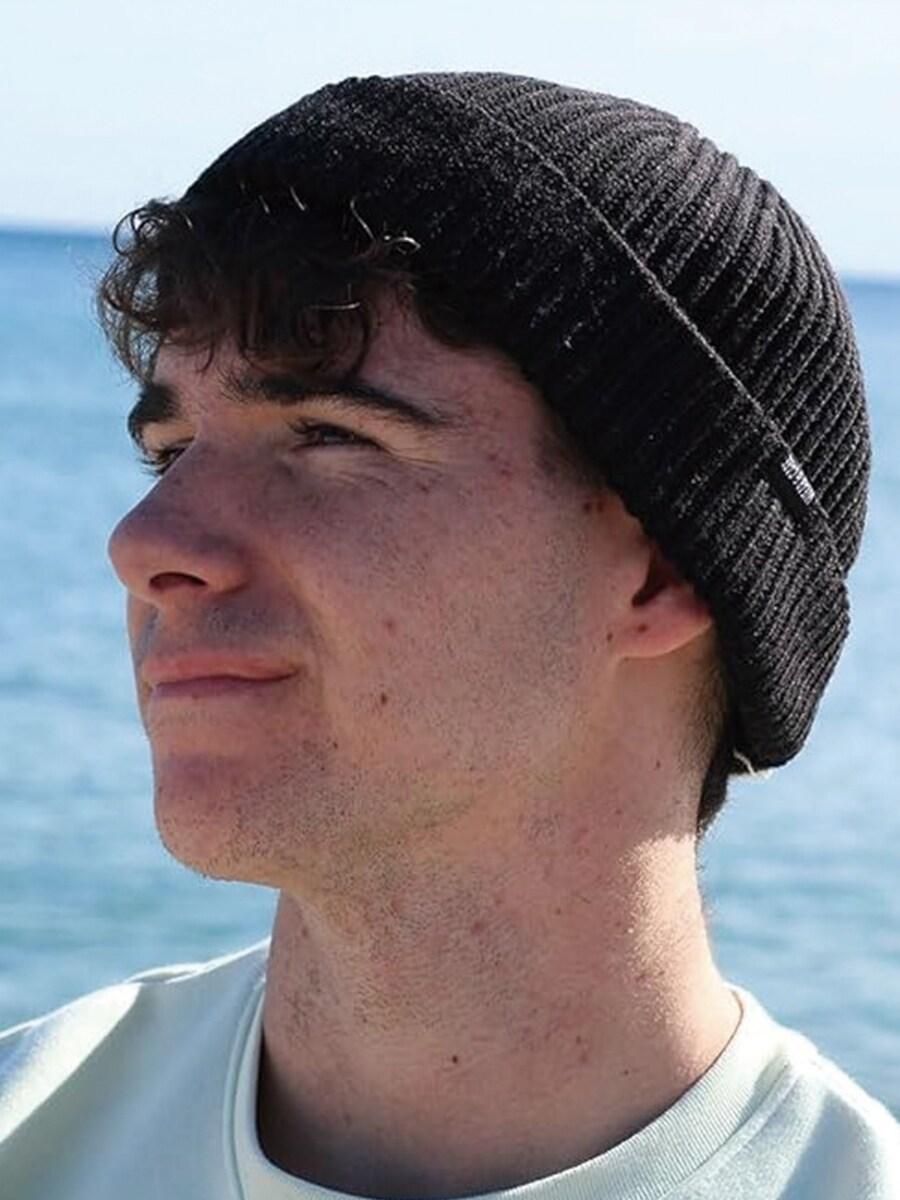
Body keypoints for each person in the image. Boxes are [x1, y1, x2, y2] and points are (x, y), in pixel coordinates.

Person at [1, 72, 897, 1199]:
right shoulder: (32, 1122)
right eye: (172, 452)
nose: (146, 543)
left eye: (328, 434)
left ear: (663, 570)